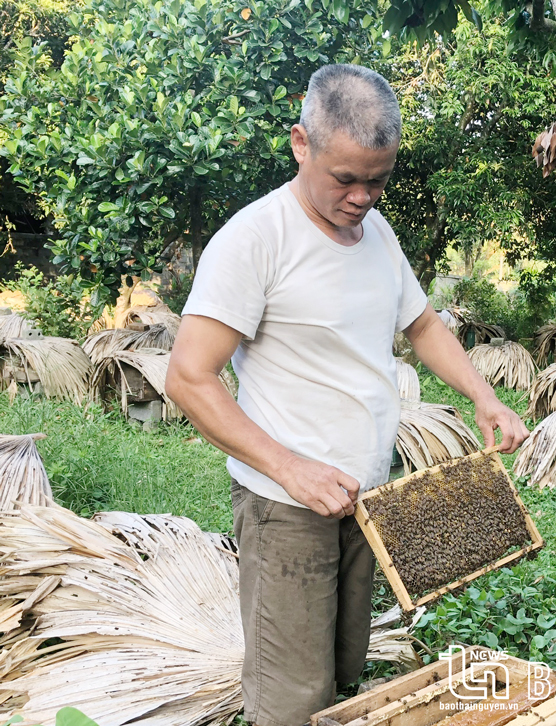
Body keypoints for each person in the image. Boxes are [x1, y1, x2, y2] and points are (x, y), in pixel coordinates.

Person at [164, 63, 529, 726]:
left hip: (366, 500)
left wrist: (484, 396)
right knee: (289, 696)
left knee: (342, 669)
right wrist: (291, 468)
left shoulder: (379, 236)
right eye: (346, 178)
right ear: (302, 144)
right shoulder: (255, 239)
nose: (363, 196)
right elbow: (189, 377)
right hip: (286, 508)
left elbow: (420, 323)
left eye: (378, 180)